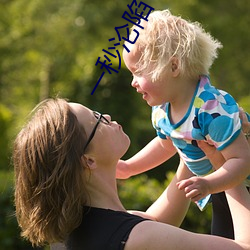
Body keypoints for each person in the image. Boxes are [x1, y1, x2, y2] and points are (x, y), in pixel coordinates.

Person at [13, 98, 250, 250]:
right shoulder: (138, 238)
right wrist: (226, 165)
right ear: (88, 160)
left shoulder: (73, 234)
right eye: (97, 120)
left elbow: (156, 221)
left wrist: (190, 137)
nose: (106, 116)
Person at [119, 9, 250, 239]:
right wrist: (130, 167)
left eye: (138, 72)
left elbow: (242, 160)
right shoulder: (162, 110)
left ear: (173, 67)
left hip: (239, 185)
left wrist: (209, 184)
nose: (133, 83)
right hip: (220, 189)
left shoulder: (210, 109)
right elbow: (166, 145)